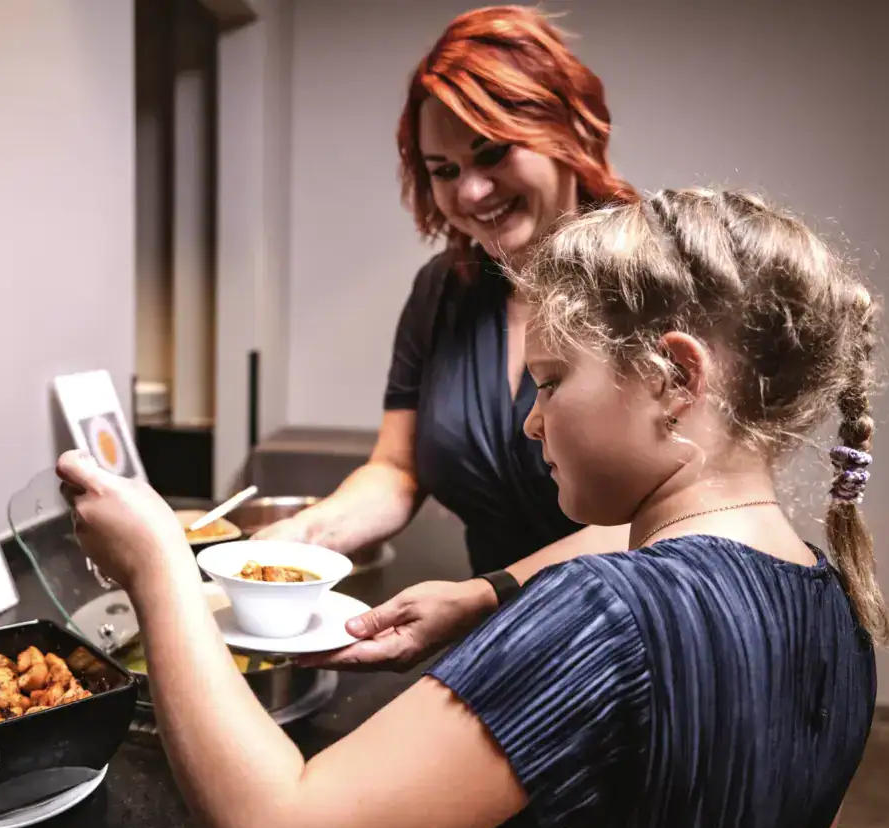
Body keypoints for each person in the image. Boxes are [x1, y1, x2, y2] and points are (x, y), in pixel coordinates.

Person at [58, 187, 883, 828]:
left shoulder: (605, 614)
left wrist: (160, 564)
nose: (531, 421)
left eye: (552, 382)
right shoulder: (837, 604)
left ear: (674, 379)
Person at [250, 5, 637, 670]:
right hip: (498, 644)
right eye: (444, 168)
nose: (472, 191)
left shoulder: (650, 279)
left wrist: (487, 596)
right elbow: (397, 470)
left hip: (629, 645)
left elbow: (675, 523)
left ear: (565, 129)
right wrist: (300, 540)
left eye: (492, 153)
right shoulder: (445, 290)